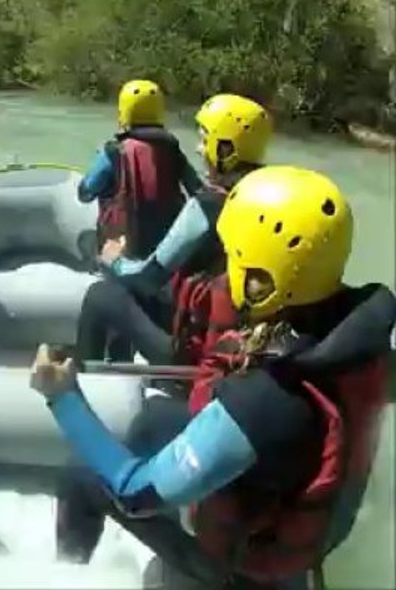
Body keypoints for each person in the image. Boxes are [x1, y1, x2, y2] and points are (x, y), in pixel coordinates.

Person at [33, 166, 395, 589]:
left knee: (83, 475)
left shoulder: (267, 402)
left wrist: (62, 395)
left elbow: (135, 493)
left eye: (234, 251)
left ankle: (66, 575)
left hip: (239, 570)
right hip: (295, 514)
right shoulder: (360, 341)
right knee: (152, 422)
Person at [77, 94, 273, 366]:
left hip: (192, 354)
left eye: (205, 140)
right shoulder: (271, 196)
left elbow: (146, 279)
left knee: (100, 296)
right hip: (247, 344)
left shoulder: (207, 206)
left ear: (225, 149)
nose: (199, 149)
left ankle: (87, 385)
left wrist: (115, 261)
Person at [78, 79, 203, 261]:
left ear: (124, 113)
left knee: (87, 243)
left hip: (123, 254)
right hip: (167, 255)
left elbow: (85, 194)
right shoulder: (173, 150)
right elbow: (198, 191)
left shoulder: (114, 152)